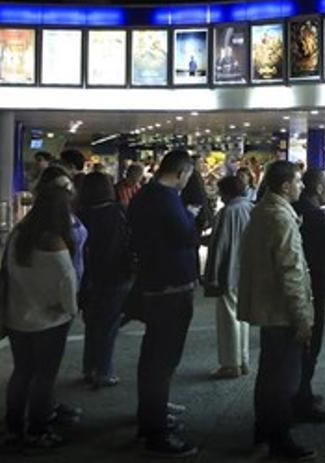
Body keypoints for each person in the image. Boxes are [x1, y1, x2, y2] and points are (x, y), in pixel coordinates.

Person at [238, 161, 316, 460]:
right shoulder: (281, 218)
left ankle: (264, 428)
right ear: (285, 186)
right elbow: (291, 271)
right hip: (281, 309)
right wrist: (302, 317)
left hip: (266, 305)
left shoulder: (261, 211)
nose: (302, 186)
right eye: (298, 181)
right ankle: (280, 438)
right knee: (285, 378)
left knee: (268, 372)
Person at [127, 149, 200, 457]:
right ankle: (155, 431)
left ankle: (151, 414)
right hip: (170, 287)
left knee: (154, 356)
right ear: (182, 173)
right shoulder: (167, 198)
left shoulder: (143, 196)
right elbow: (186, 235)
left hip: (154, 282)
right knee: (162, 358)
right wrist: (193, 218)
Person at [0, 185, 79, 452]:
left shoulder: (19, 234)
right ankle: (38, 430)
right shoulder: (54, 241)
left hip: (17, 316)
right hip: (49, 320)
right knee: (44, 377)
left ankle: (13, 428)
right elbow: (67, 283)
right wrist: (70, 310)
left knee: (21, 372)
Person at [292, 166, 325, 423]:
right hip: (313, 284)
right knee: (310, 343)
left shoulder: (298, 209)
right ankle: (301, 399)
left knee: (306, 344)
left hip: (306, 281)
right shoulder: (313, 214)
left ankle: (304, 392)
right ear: (318, 188)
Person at [75, 173, 133, 389]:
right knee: (108, 326)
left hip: (88, 277)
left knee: (92, 323)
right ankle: (104, 371)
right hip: (115, 274)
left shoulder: (80, 214)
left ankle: (89, 367)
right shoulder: (118, 212)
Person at [205, 175, 253, 380]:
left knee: (228, 319)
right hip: (248, 270)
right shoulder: (252, 208)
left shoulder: (227, 212)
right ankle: (243, 360)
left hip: (229, 270)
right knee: (243, 318)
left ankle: (230, 364)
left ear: (226, 193)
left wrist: (212, 276)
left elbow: (219, 245)